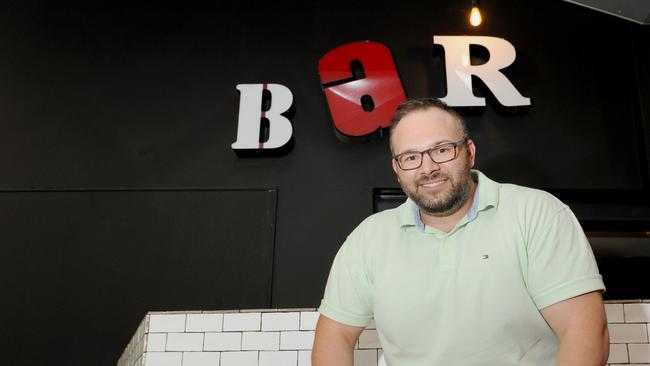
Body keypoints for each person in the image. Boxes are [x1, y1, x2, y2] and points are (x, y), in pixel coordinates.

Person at [312, 98, 609, 366]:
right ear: (397, 168)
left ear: (469, 152)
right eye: (411, 157)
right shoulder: (369, 239)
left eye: (441, 150)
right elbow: (334, 334)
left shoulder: (536, 213)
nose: (428, 168)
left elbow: (584, 331)